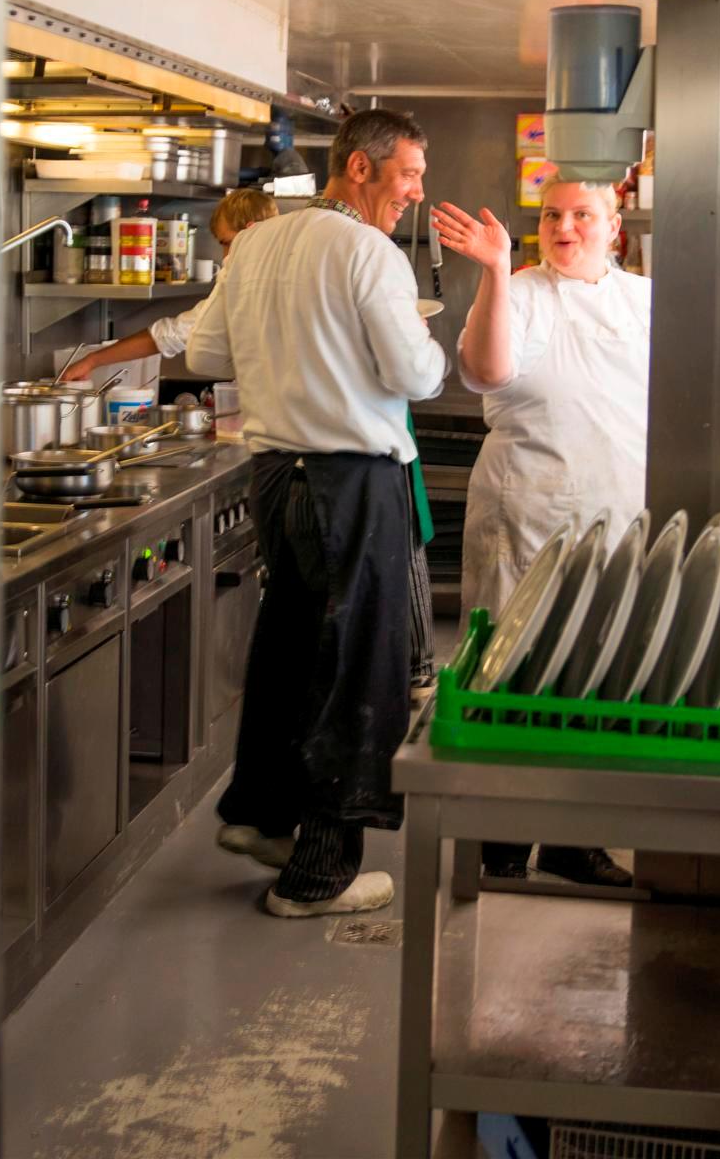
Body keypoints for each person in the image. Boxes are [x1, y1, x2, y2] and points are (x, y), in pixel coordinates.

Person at [184, 109, 448, 917]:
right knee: (360, 668)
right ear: (360, 167)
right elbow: (417, 375)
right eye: (409, 173)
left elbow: (205, 353)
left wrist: (299, 346)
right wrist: (424, 345)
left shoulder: (258, 242)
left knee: (289, 649)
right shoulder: (369, 252)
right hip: (353, 480)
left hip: (276, 478)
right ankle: (320, 874)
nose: (416, 191)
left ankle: (263, 814)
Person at [433, 178, 650, 887]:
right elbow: (485, 371)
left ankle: (573, 839)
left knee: (596, 672)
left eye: (583, 215)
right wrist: (495, 270)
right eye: (553, 214)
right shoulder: (519, 290)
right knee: (513, 669)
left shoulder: (645, 300)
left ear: (613, 226)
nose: (565, 227)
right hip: (527, 513)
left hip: (616, 514)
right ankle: (500, 843)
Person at [59, 188, 278, 384]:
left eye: (227, 243)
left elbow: (173, 335)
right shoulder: (280, 273)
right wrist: (93, 360)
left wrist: (92, 360)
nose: (225, 255)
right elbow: (172, 334)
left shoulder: (241, 282)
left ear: (251, 231)